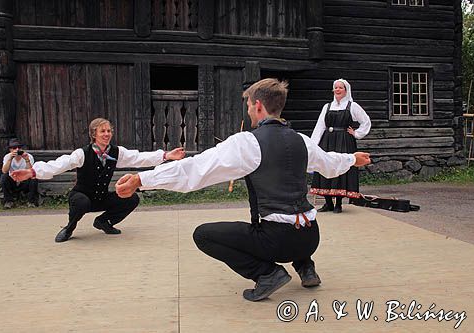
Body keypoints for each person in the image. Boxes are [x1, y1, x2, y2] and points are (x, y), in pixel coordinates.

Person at [115, 78, 371, 302]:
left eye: (249, 105)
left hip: (278, 240)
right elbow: (330, 164)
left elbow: (195, 170)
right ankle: (306, 267)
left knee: (203, 235)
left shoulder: (248, 143)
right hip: (310, 237)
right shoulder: (301, 140)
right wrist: (353, 159)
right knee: (292, 218)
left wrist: (142, 180)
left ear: (258, 105)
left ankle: (268, 274)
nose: (248, 110)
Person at [11, 118, 185, 243]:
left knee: (132, 198)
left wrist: (166, 155)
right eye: (102, 131)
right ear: (93, 134)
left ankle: (103, 221)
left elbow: (139, 158)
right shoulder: (82, 153)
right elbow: (59, 165)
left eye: (109, 131)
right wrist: (32, 172)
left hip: (101, 197)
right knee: (81, 202)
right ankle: (69, 228)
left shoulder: (117, 152)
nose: (107, 134)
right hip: (81, 196)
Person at [310, 79, 371, 213]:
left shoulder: (352, 106)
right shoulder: (327, 106)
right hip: (328, 141)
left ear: (346, 90)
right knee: (324, 166)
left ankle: (338, 204)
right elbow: (320, 126)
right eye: (335, 88)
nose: (337, 90)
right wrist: (313, 145)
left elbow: (366, 121)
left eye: (340, 88)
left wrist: (356, 133)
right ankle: (328, 203)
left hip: (344, 141)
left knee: (342, 169)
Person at [0, 138, 39, 209]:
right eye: (14, 148)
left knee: (34, 178)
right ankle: (8, 201)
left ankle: (31, 201)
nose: (17, 149)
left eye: (19, 147)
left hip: (25, 181)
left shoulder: (28, 156)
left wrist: (27, 160)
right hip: (13, 181)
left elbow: (31, 171)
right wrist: (10, 159)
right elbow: (4, 171)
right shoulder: (7, 157)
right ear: (10, 149)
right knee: (4, 177)